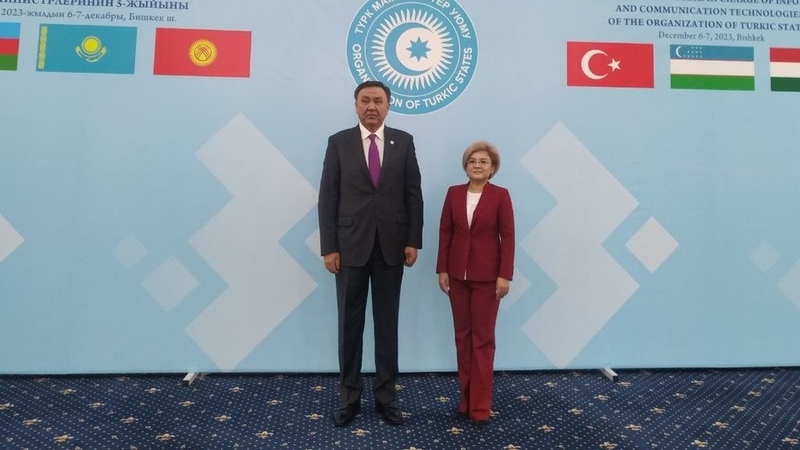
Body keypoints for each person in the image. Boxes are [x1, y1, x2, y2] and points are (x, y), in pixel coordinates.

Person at [318, 80, 423, 427]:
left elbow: (413, 194)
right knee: (349, 326)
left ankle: (386, 397)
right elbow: (328, 197)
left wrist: (413, 240)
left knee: (386, 326)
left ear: (388, 105)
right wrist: (329, 247)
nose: (371, 107)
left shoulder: (404, 142)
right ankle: (349, 398)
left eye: (378, 101)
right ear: (355, 105)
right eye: (365, 101)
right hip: (349, 248)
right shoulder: (339, 142)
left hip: (392, 247)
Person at [436, 140, 515, 426]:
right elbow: (445, 231)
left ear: (492, 168)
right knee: (462, 338)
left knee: (482, 341)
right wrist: (442, 269)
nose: (477, 165)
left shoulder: (500, 196)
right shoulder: (453, 193)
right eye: (472, 161)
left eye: (483, 161)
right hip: (457, 277)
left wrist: (504, 274)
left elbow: (508, 237)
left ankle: (480, 406)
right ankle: (466, 398)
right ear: (465, 166)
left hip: (488, 279)